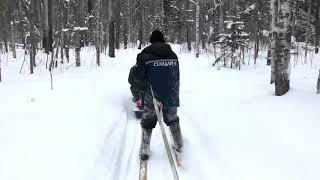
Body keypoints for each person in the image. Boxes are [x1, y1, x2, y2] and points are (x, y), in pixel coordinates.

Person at [128, 30, 183, 160]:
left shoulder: (144, 56)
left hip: (152, 95)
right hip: (171, 93)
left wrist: (138, 93)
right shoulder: (173, 55)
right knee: (172, 118)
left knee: (147, 120)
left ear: (151, 41)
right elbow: (176, 76)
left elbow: (137, 77)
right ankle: (179, 144)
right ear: (163, 40)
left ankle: (145, 150)